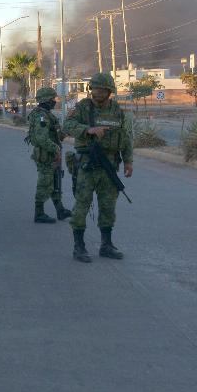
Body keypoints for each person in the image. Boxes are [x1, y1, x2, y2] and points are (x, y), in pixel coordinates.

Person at [62, 72, 134, 262]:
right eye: (94, 88)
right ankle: (79, 247)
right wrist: (88, 130)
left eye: (101, 89)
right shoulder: (83, 108)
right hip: (87, 164)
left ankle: (106, 245)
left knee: (108, 206)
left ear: (109, 91)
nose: (97, 92)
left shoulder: (117, 111)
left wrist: (128, 161)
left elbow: (125, 138)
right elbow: (67, 124)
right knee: (82, 205)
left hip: (109, 165)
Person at [27, 86, 72, 223]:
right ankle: (39, 214)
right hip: (46, 156)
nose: (54, 101)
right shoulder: (41, 116)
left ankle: (60, 210)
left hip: (51, 155)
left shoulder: (46, 114)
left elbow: (57, 136)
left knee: (55, 182)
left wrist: (67, 124)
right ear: (46, 100)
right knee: (45, 183)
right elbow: (41, 139)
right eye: (53, 99)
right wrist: (56, 149)